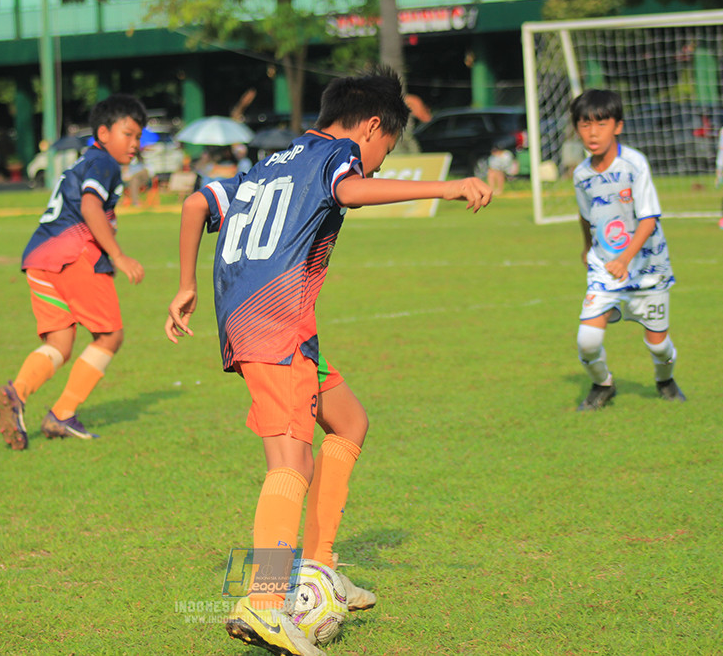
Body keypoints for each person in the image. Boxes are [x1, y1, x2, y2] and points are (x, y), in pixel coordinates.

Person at [164, 66, 491, 656]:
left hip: (271, 328)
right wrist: (444, 187)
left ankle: (316, 567)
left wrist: (185, 284)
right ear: (370, 126)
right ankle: (263, 604)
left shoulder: (269, 160)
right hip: (272, 326)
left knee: (349, 421)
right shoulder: (337, 155)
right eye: (387, 149)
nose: (382, 163)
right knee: (291, 460)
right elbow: (349, 188)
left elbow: (195, 205)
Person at [0, 94, 147, 450]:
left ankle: (16, 393)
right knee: (110, 336)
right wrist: (118, 255)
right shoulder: (104, 163)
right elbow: (91, 204)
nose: (134, 144)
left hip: (38, 259)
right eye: (128, 134)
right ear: (104, 132)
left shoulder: (83, 162)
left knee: (59, 344)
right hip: (75, 256)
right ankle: (62, 413)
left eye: (138, 137)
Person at [570, 89, 685, 412]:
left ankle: (665, 380)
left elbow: (649, 219)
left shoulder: (634, 164)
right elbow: (585, 214)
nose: (593, 133)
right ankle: (603, 384)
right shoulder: (581, 175)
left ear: (617, 126)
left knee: (659, 346)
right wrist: (587, 248)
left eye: (601, 124)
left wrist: (626, 258)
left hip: (648, 268)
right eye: (584, 125)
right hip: (605, 268)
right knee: (587, 340)